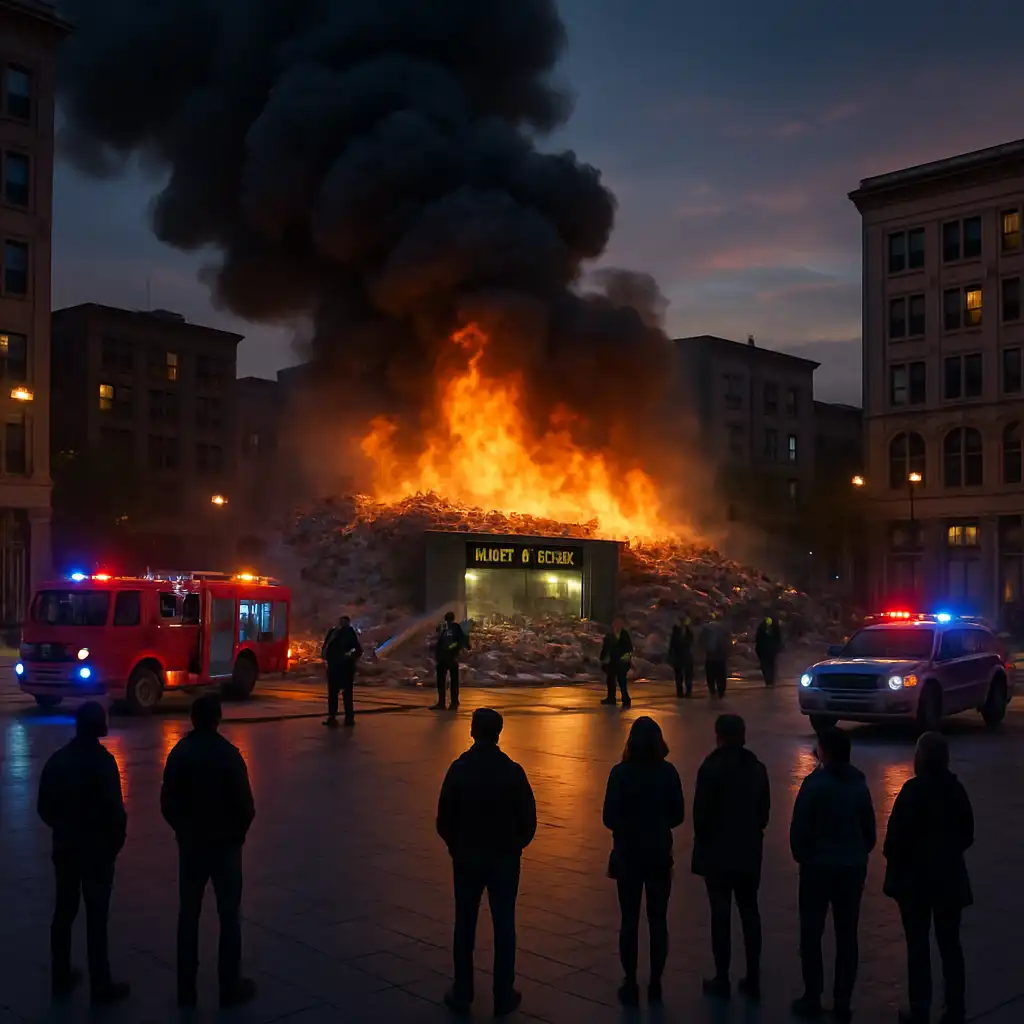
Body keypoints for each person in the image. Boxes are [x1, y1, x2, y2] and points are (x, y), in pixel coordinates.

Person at [436, 708, 537, 1017]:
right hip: (503, 858)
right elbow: (528, 820)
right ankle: (503, 993)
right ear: (498, 734)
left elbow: (444, 818)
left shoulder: (459, 769)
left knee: (465, 923)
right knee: (504, 924)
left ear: (472, 732)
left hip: (467, 857)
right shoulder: (512, 771)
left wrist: (456, 846)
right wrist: (514, 846)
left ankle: (463, 990)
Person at [161, 694, 256, 1008]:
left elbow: (168, 802)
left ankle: (186, 986)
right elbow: (245, 805)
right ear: (217, 718)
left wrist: (182, 831)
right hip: (225, 846)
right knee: (228, 915)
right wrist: (236, 836)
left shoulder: (180, 754)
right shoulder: (229, 755)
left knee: (188, 915)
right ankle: (229, 984)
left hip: (191, 846)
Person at [37, 701, 129, 1005]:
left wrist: (62, 827)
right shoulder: (104, 763)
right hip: (97, 851)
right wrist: (114, 843)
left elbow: (44, 806)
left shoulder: (58, 760)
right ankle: (100, 983)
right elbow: (115, 811)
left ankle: (61, 975)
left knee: (64, 912)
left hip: (66, 848)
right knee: (96, 917)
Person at [884, 733, 974, 1024]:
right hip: (948, 880)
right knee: (950, 945)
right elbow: (967, 834)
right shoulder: (955, 790)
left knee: (918, 945)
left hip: (916, 882)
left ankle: (920, 1007)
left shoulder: (912, 792)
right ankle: (955, 1008)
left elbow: (894, 840)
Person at [790, 727, 876, 1023]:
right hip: (850, 869)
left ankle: (812, 995)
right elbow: (869, 831)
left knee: (811, 933)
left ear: (824, 751)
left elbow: (799, 829)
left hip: (817, 869)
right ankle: (842, 1001)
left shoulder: (815, 785)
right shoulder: (859, 783)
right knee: (847, 935)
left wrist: (804, 856)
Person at [602, 716, 685, 1007]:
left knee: (629, 919)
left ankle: (630, 980)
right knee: (658, 919)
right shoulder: (667, 772)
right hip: (658, 853)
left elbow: (608, 817)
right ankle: (656, 981)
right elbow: (678, 815)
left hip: (628, 853)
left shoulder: (620, 773)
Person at [692, 714, 770, 1001]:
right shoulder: (756, 768)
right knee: (750, 912)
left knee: (720, 915)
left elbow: (700, 815)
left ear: (719, 735)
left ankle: (722, 976)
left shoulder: (710, 768)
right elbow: (764, 812)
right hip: (748, 851)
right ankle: (753, 975)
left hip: (718, 853)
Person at [321, 614, 363, 727]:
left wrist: (348, 656)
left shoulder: (348, 633)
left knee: (345, 694)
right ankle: (334, 717)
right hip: (335, 667)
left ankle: (346, 718)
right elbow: (326, 646)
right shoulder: (334, 632)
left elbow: (358, 650)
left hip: (344, 668)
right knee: (335, 694)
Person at [433, 611, 469, 710]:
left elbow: (459, 642)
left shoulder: (455, 628)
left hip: (451, 658)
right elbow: (441, 643)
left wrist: (450, 648)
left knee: (452, 682)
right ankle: (442, 703)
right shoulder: (444, 629)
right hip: (443, 658)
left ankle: (452, 703)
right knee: (442, 681)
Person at [599, 617, 633, 707]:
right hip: (612, 661)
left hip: (622, 662)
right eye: (616, 623)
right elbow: (605, 647)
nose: (617, 625)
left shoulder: (624, 634)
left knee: (622, 681)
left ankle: (625, 699)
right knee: (610, 680)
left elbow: (629, 648)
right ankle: (611, 698)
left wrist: (626, 658)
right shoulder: (609, 634)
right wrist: (602, 658)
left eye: (619, 623)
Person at [701, 614, 731, 698]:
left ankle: (712, 691)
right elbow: (728, 642)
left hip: (710, 656)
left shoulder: (706, 628)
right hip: (721, 656)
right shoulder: (724, 628)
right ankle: (721, 691)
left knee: (710, 675)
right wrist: (728, 652)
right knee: (721, 675)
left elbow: (702, 641)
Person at [667, 615, 695, 698]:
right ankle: (680, 692)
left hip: (687, 656)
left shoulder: (689, 632)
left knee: (688, 675)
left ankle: (688, 692)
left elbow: (692, 643)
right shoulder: (676, 631)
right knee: (679, 676)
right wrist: (671, 656)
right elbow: (672, 645)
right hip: (678, 656)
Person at [754, 616, 782, 687]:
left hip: (768, 651)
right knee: (769, 666)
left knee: (769, 666)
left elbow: (758, 640)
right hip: (766, 651)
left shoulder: (765, 628)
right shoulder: (764, 629)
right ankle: (769, 681)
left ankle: (770, 681)